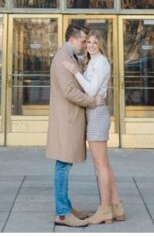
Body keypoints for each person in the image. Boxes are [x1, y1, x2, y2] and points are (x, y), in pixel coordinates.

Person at [62, 30, 124, 224]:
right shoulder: (92, 61)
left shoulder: (101, 62)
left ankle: (104, 210)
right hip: (94, 112)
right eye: (88, 42)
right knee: (104, 163)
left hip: (97, 114)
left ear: (101, 45)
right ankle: (116, 206)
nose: (90, 45)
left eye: (95, 42)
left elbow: (91, 90)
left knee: (100, 165)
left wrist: (75, 73)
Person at [47, 24, 105, 228]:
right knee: (62, 165)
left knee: (65, 163)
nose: (84, 45)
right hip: (66, 121)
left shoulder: (69, 56)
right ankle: (62, 213)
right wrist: (93, 101)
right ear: (72, 38)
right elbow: (69, 91)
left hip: (69, 120)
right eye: (82, 41)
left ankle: (66, 207)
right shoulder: (63, 58)